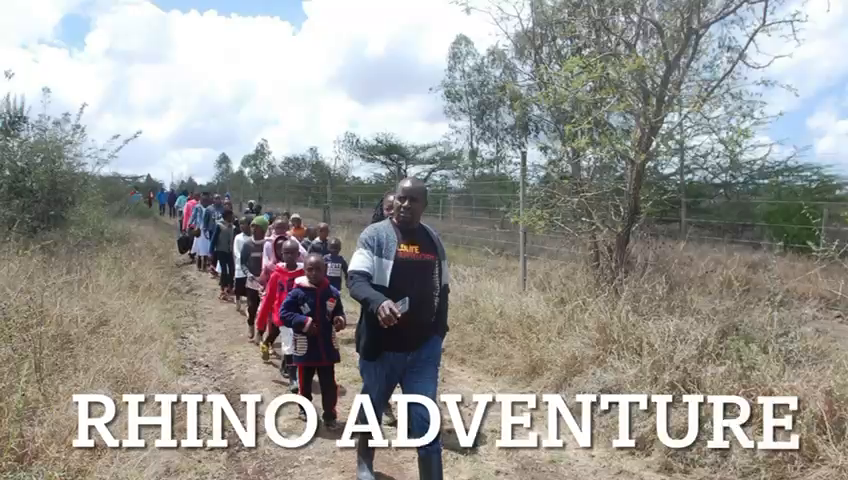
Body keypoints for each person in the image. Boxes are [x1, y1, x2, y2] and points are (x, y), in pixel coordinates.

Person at [348, 178, 450, 479]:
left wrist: (438, 332)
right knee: (373, 406)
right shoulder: (375, 236)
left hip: (422, 349)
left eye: (413, 200)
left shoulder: (433, 239)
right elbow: (355, 279)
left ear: (424, 205)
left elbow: (442, 288)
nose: (405, 205)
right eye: (401, 198)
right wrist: (379, 302)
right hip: (381, 347)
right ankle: (364, 463)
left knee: (425, 418)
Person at [281, 253, 346, 429]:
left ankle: (330, 416)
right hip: (305, 348)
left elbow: (337, 311)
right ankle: (305, 409)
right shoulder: (297, 293)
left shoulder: (332, 292)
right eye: (310, 269)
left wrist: (339, 319)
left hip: (326, 348)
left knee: (329, 385)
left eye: (318, 269)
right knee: (305, 385)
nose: (314, 273)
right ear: (305, 270)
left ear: (325, 270)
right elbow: (284, 314)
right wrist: (304, 322)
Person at [256, 238, 304, 378]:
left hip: (298, 316)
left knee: (294, 344)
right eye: (286, 253)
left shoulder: (303, 274)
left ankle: (289, 366)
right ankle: (286, 366)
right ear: (282, 254)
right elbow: (268, 299)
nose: (289, 256)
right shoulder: (276, 275)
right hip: (280, 316)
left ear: (297, 254)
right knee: (284, 339)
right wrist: (260, 326)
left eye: (292, 253)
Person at [240, 216, 269, 341]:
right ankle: (251, 324)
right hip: (252, 281)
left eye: (256, 227)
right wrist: (248, 273)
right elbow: (242, 262)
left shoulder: (267, 245)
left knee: (264, 310)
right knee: (252, 307)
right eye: (252, 226)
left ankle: (260, 333)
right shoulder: (247, 245)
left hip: (265, 282)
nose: (253, 229)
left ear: (263, 230)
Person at [210, 209, 236, 301]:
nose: (232, 217)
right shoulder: (219, 226)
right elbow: (214, 240)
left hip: (229, 251)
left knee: (232, 269)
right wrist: (211, 252)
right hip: (221, 250)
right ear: (226, 216)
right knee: (224, 270)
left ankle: (230, 287)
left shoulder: (232, 227)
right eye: (230, 216)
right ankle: (222, 289)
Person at [233, 215, 252, 314]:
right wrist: (244, 259)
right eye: (240, 223)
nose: (241, 226)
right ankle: (238, 301)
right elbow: (236, 252)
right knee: (239, 287)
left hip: (251, 268)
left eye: (243, 223)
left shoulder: (253, 237)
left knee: (249, 289)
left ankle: (249, 307)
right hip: (240, 267)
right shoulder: (238, 237)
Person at [188, 193, 212, 272]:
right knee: (199, 248)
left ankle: (204, 266)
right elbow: (193, 216)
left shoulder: (210, 208)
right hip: (199, 230)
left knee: (205, 248)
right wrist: (189, 224)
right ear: (200, 199)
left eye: (206, 199)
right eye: (203, 199)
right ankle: (199, 265)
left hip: (207, 230)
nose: (204, 201)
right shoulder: (197, 207)